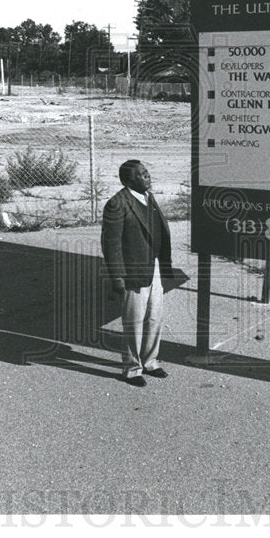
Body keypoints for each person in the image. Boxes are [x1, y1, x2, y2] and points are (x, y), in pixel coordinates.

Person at [101, 160, 175, 387]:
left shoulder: (148, 197)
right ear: (128, 180)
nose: (148, 176)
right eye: (142, 174)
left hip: (153, 268)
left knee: (154, 317)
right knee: (134, 321)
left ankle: (150, 361)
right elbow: (111, 245)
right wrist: (118, 278)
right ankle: (132, 368)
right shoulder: (117, 204)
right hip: (133, 272)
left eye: (147, 172)